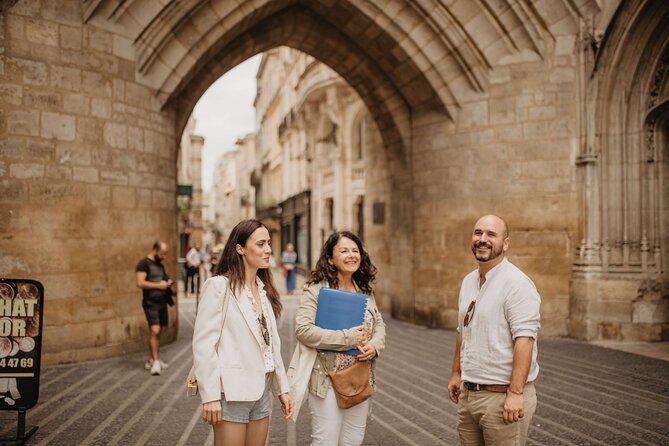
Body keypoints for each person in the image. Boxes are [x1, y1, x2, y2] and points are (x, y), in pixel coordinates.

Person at [192, 219, 294, 446]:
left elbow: (271, 346)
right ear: (240, 248)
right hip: (232, 393)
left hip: (262, 391)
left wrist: (282, 389)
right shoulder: (219, 286)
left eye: (268, 243)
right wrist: (209, 396)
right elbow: (203, 345)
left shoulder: (263, 289)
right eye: (260, 244)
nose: (268, 249)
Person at [447, 215, 541, 446]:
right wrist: (457, 373)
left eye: (491, 234)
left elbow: (525, 340)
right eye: (478, 233)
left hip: (502, 399)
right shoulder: (469, 281)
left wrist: (516, 394)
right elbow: (464, 331)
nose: (483, 239)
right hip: (469, 395)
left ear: (505, 243)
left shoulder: (517, 284)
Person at [288, 231, 386, 446]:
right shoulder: (316, 290)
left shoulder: (364, 290)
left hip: (359, 377)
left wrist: (374, 346)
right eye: (344, 251)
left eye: (355, 250)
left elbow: (379, 324)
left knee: (353, 440)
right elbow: (303, 330)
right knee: (325, 440)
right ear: (330, 258)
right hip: (326, 377)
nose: (352, 255)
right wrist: (348, 338)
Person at [135, 241, 173, 376]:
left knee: (157, 332)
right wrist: (159, 285)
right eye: (162, 253)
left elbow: (163, 279)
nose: (164, 257)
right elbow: (140, 283)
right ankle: (156, 362)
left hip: (162, 302)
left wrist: (167, 283)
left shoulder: (159, 265)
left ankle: (153, 358)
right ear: (155, 250)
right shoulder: (143, 264)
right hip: (151, 303)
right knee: (155, 330)